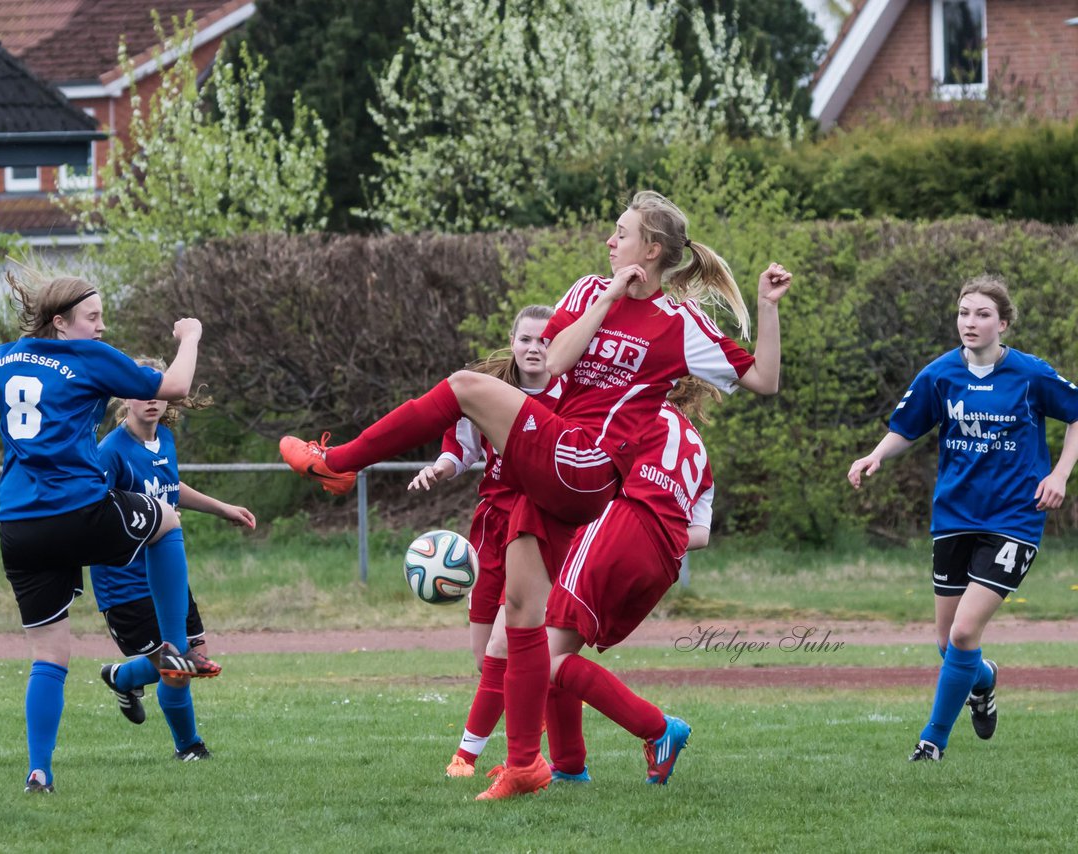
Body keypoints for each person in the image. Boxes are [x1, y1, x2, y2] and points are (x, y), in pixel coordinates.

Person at [282, 190, 790, 799]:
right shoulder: (584, 291)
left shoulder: (679, 325)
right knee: (523, 615)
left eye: (622, 233)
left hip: (591, 465)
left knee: (467, 385)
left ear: (651, 250)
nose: (610, 241)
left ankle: (336, 464)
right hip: (555, 466)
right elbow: (550, 367)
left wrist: (766, 305)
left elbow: (764, 378)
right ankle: (526, 766)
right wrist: (605, 296)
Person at [0, 276, 219, 794]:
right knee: (166, 520)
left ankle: (39, 771)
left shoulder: (6, 356)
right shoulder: (89, 358)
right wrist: (189, 338)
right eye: (93, 317)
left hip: (19, 527)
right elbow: (172, 388)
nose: (101, 326)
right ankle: (172, 642)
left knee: (49, 655)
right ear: (61, 322)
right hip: (79, 512)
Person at [847, 276, 1078, 762]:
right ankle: (985, 678)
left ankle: (932, 741)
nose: (970, 323)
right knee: (946, 643)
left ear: (1004, 323)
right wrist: (876, 456)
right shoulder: (940, 374)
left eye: (982, 315)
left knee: (964, 634)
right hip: (954, 516)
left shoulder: (1030, 375)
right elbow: (907, 428)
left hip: (1014, 519)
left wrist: (1060, 473)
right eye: (964, 313)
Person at [406, 305, 559, 778]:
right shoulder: (490, 393)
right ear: (512, 342)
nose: (535, 348)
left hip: (537, 526)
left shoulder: (571, 394)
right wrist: (439, 468)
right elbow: (461, 450)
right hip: (491, 527)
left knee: (507, 645)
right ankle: (532, 751)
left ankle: (468, 757)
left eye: (545, 340)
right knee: (486, 657)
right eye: (527, 339)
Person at [544, 376, 720, 786]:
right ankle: (568, 766)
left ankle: (658, 728)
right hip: (662, 559)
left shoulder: (634, 406)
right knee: (559, 647)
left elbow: (589, 467)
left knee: (546, 657)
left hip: (621, 528)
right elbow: (702, 534)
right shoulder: (698, 449)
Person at [92, 361, 256, 762]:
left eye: (156, 390)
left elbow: (170, 489)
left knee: (184, 655)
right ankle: (190, 748)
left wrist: (223, 509)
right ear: (123, 396)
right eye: (140, 390)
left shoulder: (163, 440)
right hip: (125, 583)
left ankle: (122, 677)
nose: (150, 398)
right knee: (176, 666)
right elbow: (90, 510)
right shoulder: (110, 451)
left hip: (165, 577)